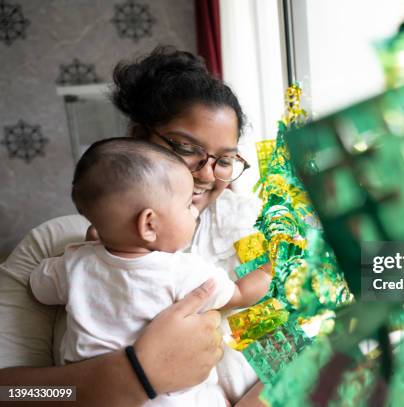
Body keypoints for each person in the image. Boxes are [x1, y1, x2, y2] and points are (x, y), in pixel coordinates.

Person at [0, 46, 268, 406]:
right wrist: (134, 374)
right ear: (138, 136)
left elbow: (320, 353)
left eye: (225, 160)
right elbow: (11, 393)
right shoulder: (56, 245)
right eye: (186, 147)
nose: (206, 173)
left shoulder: (260, 234)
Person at [29, 138, 270, 406]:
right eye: (186, 206)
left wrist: (85, 249)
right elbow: (238, 294)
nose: (193, 211)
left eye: (224, 161)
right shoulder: (181, 269)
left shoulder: (73, 262)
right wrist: (269, 270)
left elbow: (39, 286)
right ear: (149, 224)